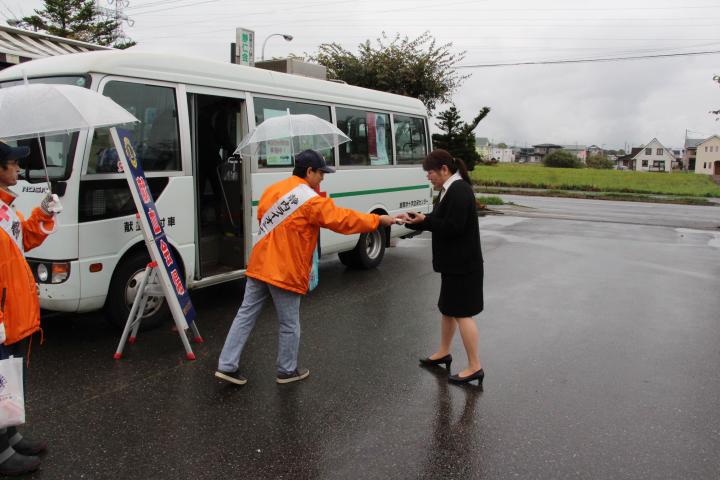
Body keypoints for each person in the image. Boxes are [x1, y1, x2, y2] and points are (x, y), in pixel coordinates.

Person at [216, 149, 396, 385]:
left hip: (260, 263)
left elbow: (263, 216)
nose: (323, 177)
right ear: (309, 171)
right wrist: (376, 220)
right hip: (284, 269)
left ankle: (227, 366)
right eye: (321, 173)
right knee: (289, 324)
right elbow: (342, 220)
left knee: (245, 315)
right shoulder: (309, 201)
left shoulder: (273, 189)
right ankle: (287, 371)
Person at [0, 141, 62, 476]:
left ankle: (9, 435)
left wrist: (45, 211)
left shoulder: (4, 206)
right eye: (13, 163)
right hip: (2, 315)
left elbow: (23, 237)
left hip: (14, 312)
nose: (19, 169)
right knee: (0, 381)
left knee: (11, 379)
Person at [398, 149, 485, 385]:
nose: (429, 177)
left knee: (462, 314)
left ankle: (475, 366)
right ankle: (443, 352)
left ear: (444, 170)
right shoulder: (450, 189)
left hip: (463, 265)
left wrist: (425, 221)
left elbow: (453, 227)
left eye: (431, 173)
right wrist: (421, 218)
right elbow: (441, 218)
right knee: (447, 309)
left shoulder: (459, 190)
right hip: (454, 264)